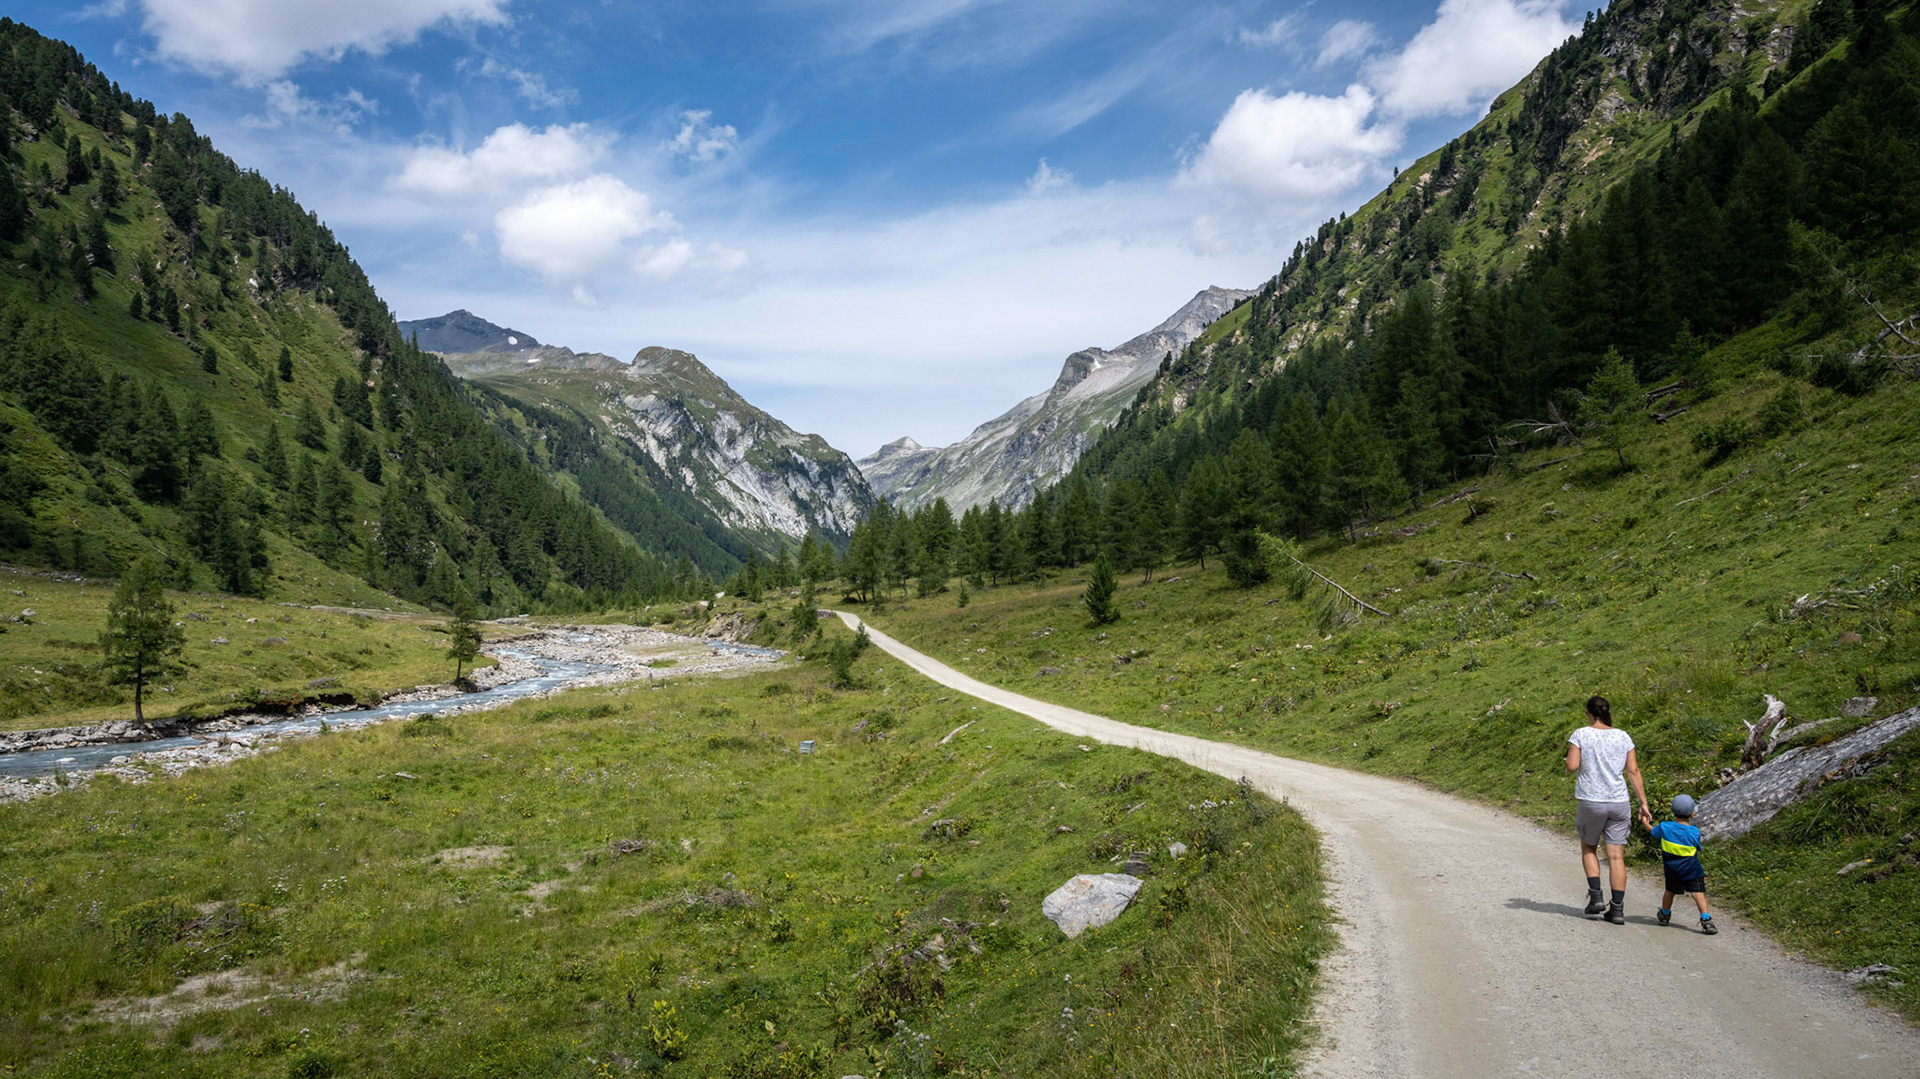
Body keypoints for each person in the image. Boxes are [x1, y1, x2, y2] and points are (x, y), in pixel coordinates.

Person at [1565, 695, 1651, 924]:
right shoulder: (1623, 736)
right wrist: (1643, 802)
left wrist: (1568, 761)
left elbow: (1572, 766)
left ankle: (1596, 898)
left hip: (1591, 800)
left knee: (1589, 847)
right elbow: (1633, 771)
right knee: (1616, 856)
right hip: (1619, 801)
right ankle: (1618, 909)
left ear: (1589, 713)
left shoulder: (1581, 734)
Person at [1650, 794, 1716, 934]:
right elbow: (1698, 847)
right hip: (1692, 869)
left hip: (1672, 869)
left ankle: (1664, 914)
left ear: (1673, 811)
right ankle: (1706, 920)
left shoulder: (1664, 827)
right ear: (1692, 814)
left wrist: (1645, 820)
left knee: (1670, 892)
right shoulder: (1694, 831)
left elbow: (1652, 831)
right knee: (1698, 894)